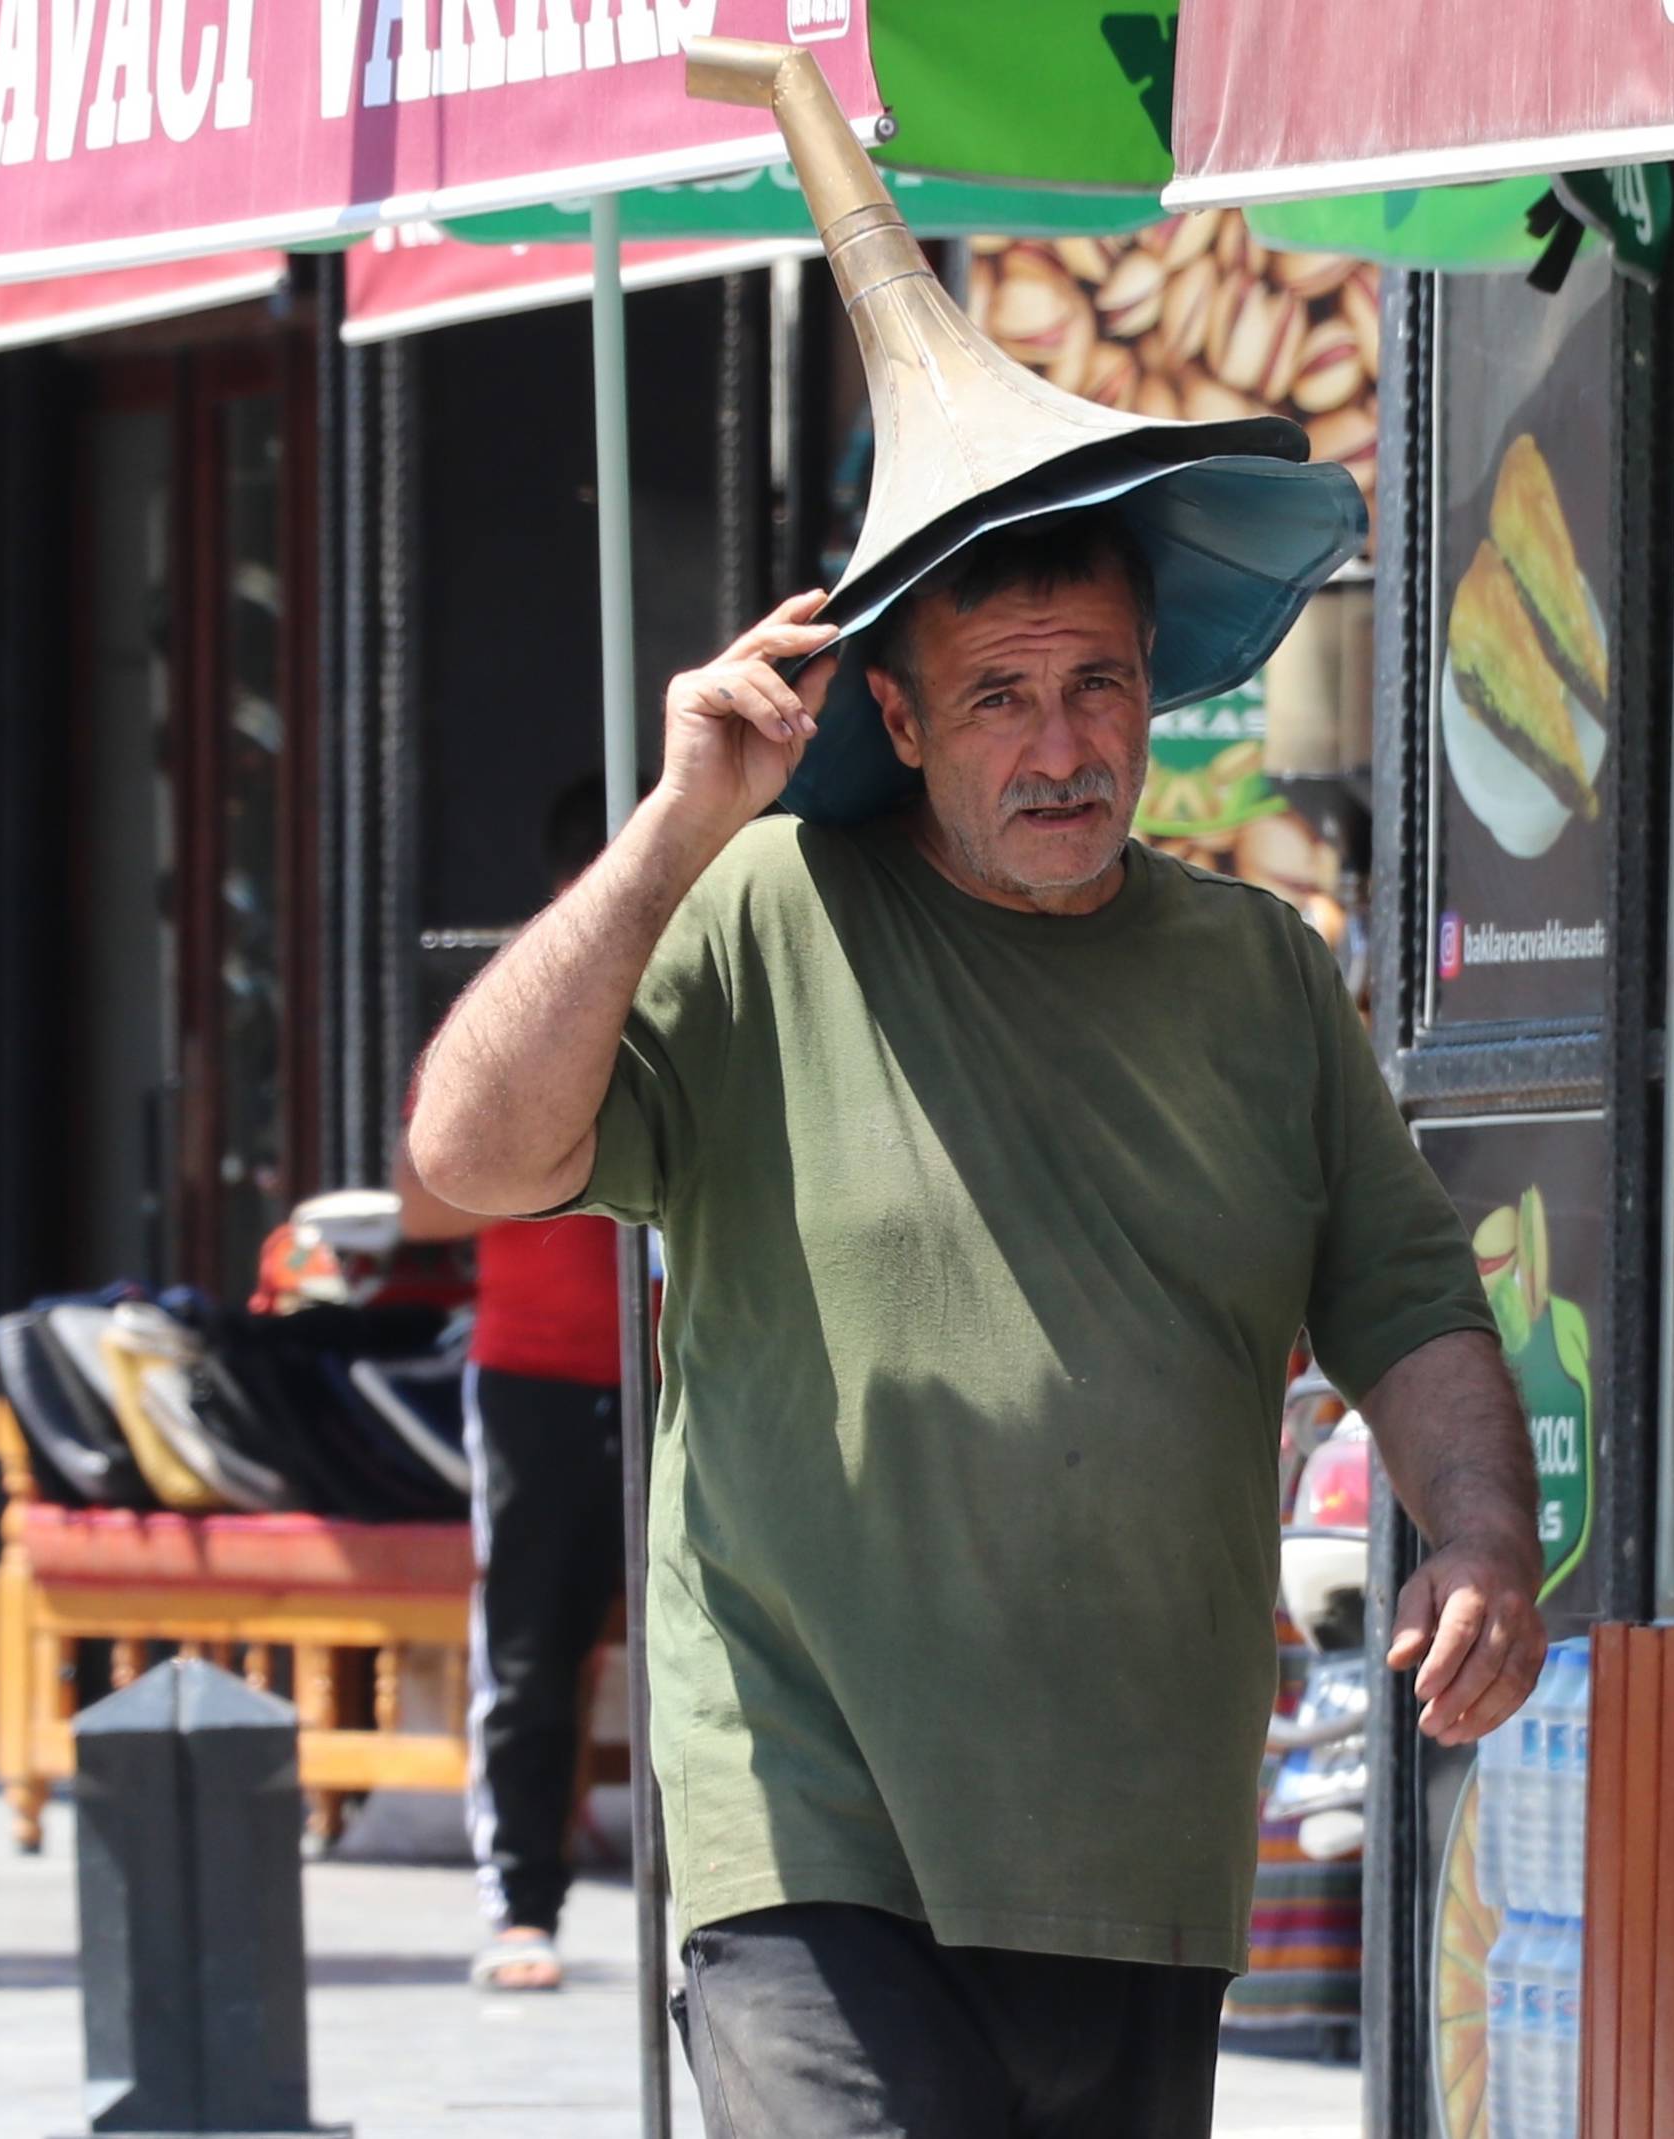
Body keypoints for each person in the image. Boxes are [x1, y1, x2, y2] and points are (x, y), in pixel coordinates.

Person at [407, 512, 1543, 2134]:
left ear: (1156, 689)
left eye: (1098, 684)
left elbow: (1410, 1298)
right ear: (902, 717)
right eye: (1000, 695)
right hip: (813, 1822)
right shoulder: (762, 912)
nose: (1063, 744)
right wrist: (674, 827)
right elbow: (472, 1148)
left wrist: (1486, 1535)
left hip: (1137, 1840)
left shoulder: (1261, 977)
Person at [396, 779, 627, 1994]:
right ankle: (522, 1908)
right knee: (531, 1650)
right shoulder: (519, 992)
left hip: (691, 1365)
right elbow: (423, 1196)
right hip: (539, 1370)